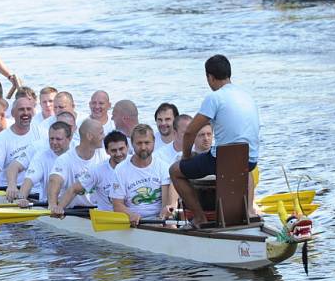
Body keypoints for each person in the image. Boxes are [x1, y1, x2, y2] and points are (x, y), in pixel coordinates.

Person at [170, 54, 260, 226]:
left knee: (175, 171)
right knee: (244, 167)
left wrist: (187, 157)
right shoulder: (247, 96)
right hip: (250, 159)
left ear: (210, 77)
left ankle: (199, 217)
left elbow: (190, 132)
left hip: (225, 160)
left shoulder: (215, 97)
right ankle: (248, 212)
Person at [111, 124, 176, 226]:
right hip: (133, 221)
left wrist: (162, 219)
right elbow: (117, 205)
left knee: (171, 225)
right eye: (139, 143)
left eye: (147, 143)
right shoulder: (120, 170)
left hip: (158, 219)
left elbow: (166, 204)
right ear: (132, 143)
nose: (143, 147)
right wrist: (130, 214)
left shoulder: (163, 167)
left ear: (154, 143)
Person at [56, 130, 128, 212]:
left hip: (137, 218)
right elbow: (74, 189)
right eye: (114, 150)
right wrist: (59, 208)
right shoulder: (97, 170)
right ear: (107, 151)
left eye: (121, 149)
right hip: (109, 219)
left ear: (127, 147)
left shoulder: (139, 165)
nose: (118, 154)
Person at [47, 118, 107, 215]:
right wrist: (53, 205)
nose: (104, 136)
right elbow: (54, 181)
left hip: (98, 210)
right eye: (101, 133)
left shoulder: (104, 155)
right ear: (89, 136)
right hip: (74, 211)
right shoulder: (65, 159)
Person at [0, 97, 37, 202]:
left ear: (33, 112)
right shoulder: (3, 138)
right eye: (21, 109)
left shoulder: (42, 132)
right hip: (11, 191)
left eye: (28, 109)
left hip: (36, 190)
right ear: (13, 113)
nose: (25, 113)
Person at [8, 121, 73, 207]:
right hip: (49, 206)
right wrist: (21, 198)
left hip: (75, 207)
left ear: (69, 138)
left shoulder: (77, 154)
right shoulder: (41, 156)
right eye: (51, 138)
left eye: (58, 139)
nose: (54, 142)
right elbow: (29, 181)